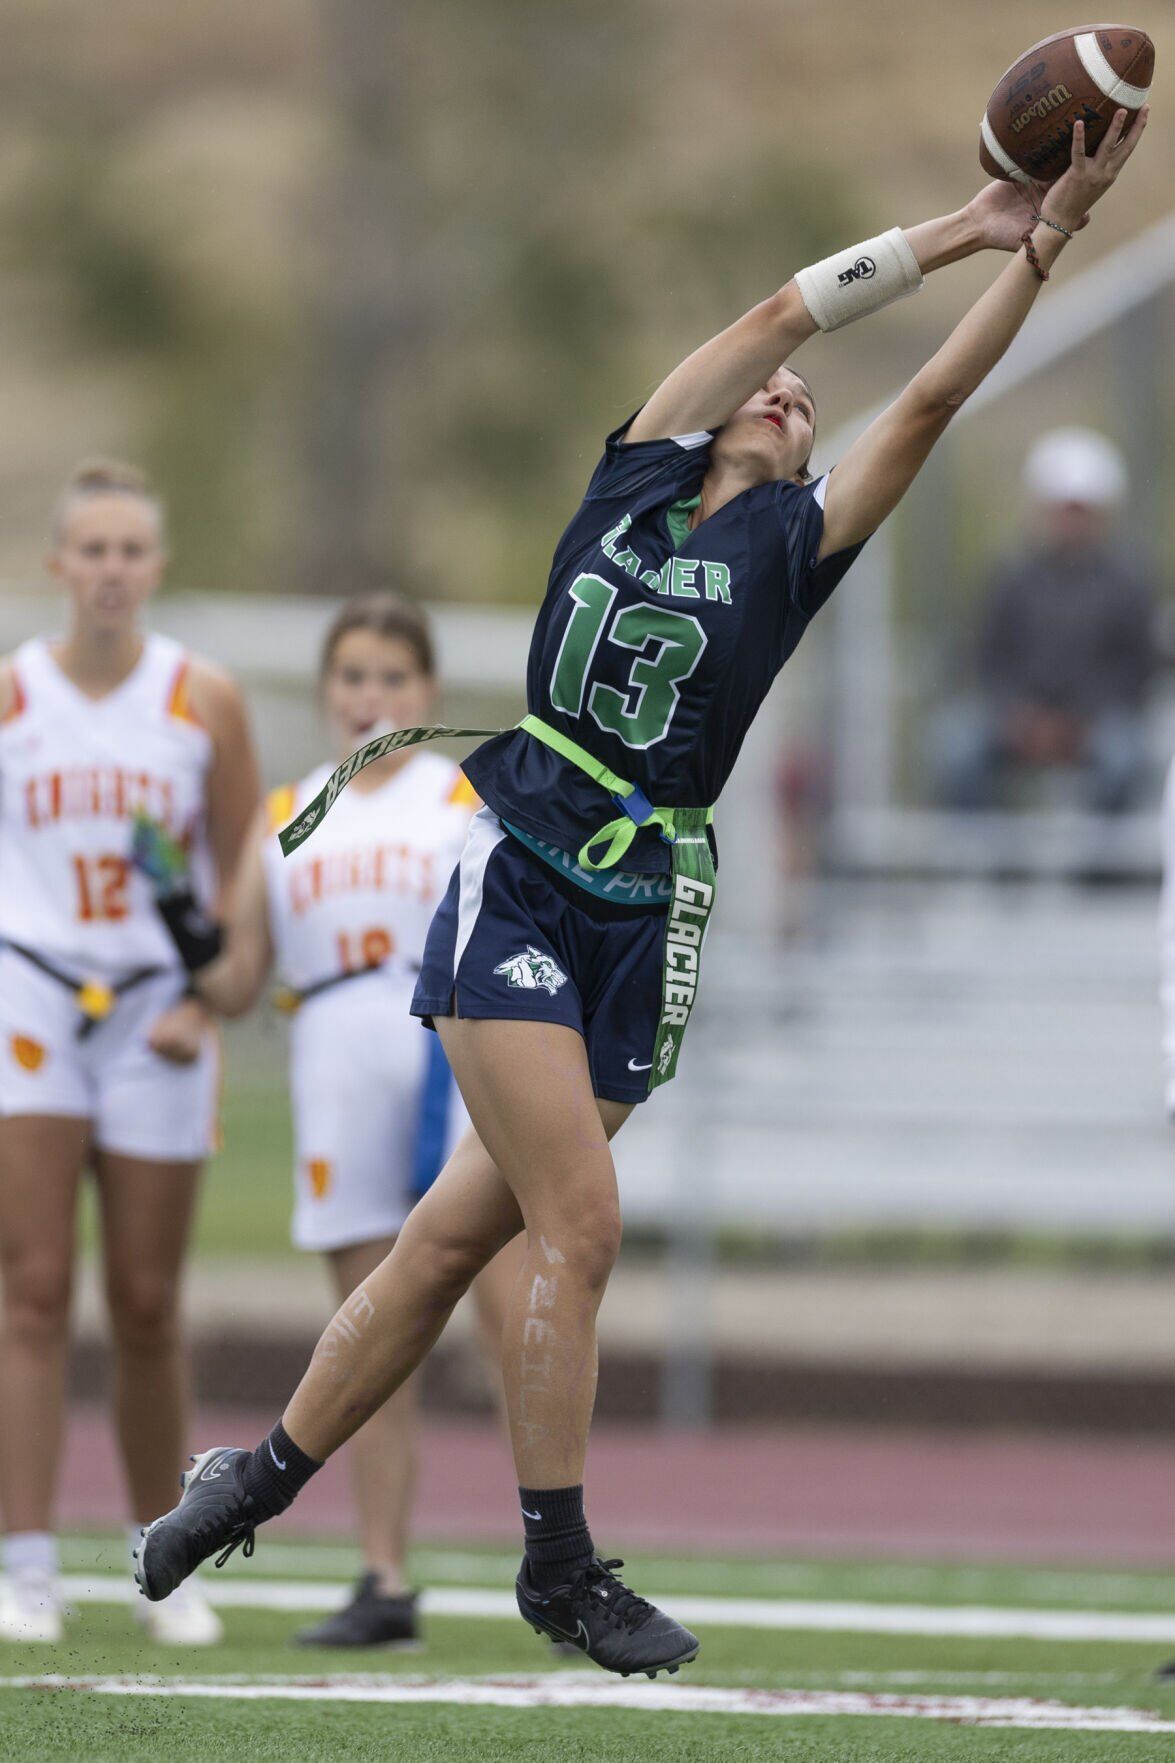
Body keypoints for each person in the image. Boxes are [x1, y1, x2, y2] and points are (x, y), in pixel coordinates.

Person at [133, 110, 1148, 1676]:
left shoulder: (792, 541)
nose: (789, 394)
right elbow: (780, 312)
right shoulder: (630, 479)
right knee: (583, 1226)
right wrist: (961, 227)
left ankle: (252, 1475)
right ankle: (558, 1562)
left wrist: (1050, 241)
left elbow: (932, 395)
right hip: (521, 865)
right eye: (772, 389)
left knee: (445, 1244)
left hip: (644, 904)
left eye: (804, 408)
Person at [160, 591, 521, 1647]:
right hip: (333, 1060)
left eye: (392, 677)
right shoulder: (290, 809)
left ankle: (555, 1555)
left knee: (511, 1317)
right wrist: (190, 951)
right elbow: (239, 977)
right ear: (326, 690)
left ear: (428, 689)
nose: (371, 697)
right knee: (371, 1330)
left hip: (451, 1053)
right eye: (353, 677)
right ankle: (383, 1574)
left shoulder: (467, 795)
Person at [0, 460, 259, 1645]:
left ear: (157, 565)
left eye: (130, 550)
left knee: (147, 1300)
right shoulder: (14, 692)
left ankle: (167, 1552)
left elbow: (243, 865)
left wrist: (208, 997)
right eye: (92, 548)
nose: (110, 569)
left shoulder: (201, 695)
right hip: (34, 998)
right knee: (33, 1286)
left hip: (158, 1011)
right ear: (59, 561)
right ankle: (25, 1560)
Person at [934, 427, 1156, 813]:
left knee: (1121, 758)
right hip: (1016, 720)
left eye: (1081, 511)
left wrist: (1081, 720)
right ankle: (981, 853)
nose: (1071, 522)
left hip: (1097, 722)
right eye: (1063, 510)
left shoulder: (1128, 584)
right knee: (957, 749)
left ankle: (1101, 854)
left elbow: (1137, 668)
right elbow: (987, 657)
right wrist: (1018, 715)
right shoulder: (1010, 578)